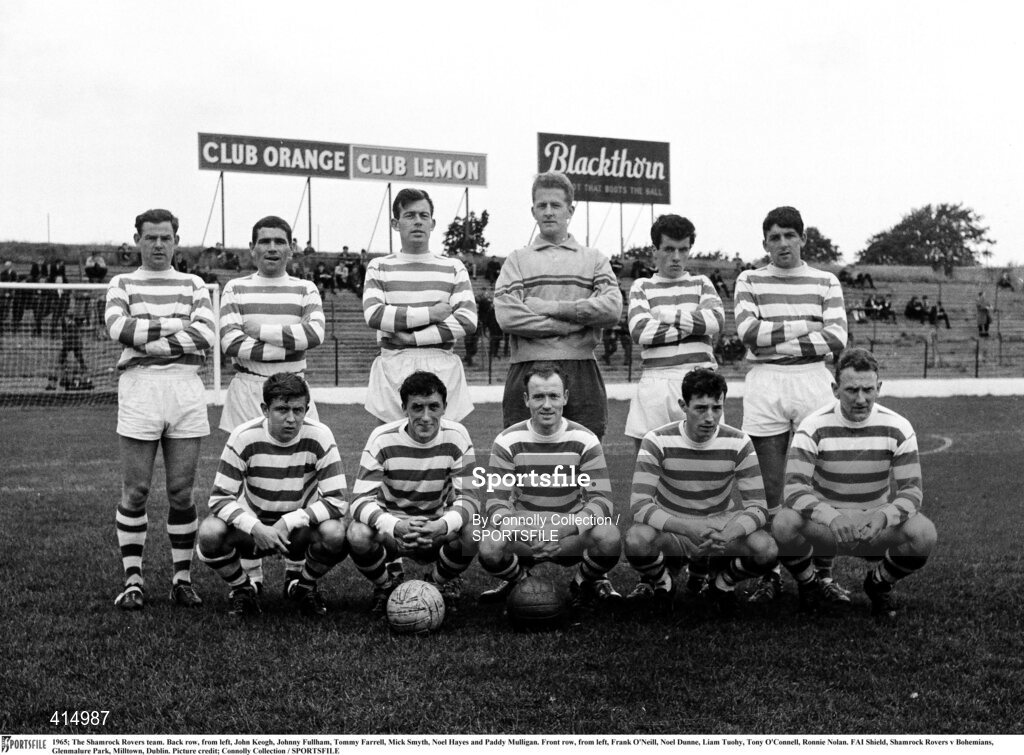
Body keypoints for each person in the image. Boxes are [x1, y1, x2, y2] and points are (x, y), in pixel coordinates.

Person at [733, 206, 848, 605]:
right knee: (768, 487)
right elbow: (748, 333)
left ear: (803, 238)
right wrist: (806, 326)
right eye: (774, 237)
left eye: (789, 235)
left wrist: (773, 343)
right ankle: (771, 574)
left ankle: (823, 575)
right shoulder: (749, 279)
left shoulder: (826, 281)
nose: (782, 243)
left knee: (821, 483)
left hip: (813, 379)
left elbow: (836, 338)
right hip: (765, 383)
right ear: (765, 242)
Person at [773, 349, 937, 621]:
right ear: (835, 389)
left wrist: (884, 517)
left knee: (924, 533)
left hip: (874, 525)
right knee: (783, 523)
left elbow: (912, 491)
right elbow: (794, 488)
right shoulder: (812, 426)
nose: (861, 399)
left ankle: (879, 583)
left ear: (879, 388)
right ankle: (810, 584)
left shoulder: (899, 427)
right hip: (827, 528)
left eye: (868, 390)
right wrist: (831, 516)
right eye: (851, 390)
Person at [105, 208, 215, 611]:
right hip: (140, 387)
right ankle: (133, 580)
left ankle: (181, 580)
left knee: (181, 492)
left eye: (165, 237)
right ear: (137, 239)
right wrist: (177, 325)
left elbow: (205, 333)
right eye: (150, 237)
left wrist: (147, 336)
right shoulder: (122, 283)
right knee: (135, 491)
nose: (157, 244)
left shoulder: (194, 283)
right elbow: (118, 328)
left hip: (185, 387)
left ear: (176, 241)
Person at [219, 216, 327, 589]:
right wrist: (288, 341)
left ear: (291, 248)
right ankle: (252, 576)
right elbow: (230, 342)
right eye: (264, 241)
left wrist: (260, 331)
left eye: (279, 241)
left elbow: (315, 334)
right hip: (248, 386)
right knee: (246, 479)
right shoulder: (235, 288)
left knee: (300, 476)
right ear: (252, 248)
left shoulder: (305, 288)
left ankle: (295, 571)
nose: (272, 248)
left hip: (295, 388)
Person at [624, 369, 776, 614]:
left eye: (717, 408)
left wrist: (729, 534)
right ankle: (665, 583)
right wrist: (687, 528)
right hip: (675, 526)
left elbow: (758, 508)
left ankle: (722, 584)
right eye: (701, 408)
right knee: (636, 540)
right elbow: (640, 505)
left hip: (719, 527)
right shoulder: (657, 440)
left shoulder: (739, 442)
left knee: (766, 548)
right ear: (683, 405)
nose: (710, 418)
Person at [197, 373, 348, 617]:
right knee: (209, 532)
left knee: (335, 533)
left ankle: (303, 587)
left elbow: (337, 501)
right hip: (252, 532)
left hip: (298, 532)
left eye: (298, 410)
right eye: (282, 410)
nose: (291, 419)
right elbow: (220, 498)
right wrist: (256, 528)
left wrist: (287, 522)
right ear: (265, 409)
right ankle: (243, 589)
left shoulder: (320, 435)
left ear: (307, 409)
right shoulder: (244, 436)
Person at [477, 362, 622, 608]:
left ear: (565, 397)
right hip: (525, 530)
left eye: (553, 396)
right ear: (526, 399)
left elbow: (602, 500)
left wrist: (564, 529)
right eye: (538, 397)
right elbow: (495, 503)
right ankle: (521, 582)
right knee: (489, 544)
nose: (546, 404)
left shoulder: (585, 439)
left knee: (609, 536)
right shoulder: (507, 440)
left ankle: (582, 583)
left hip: (568, 532)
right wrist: (525, 531)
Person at [494, 171, 621, 439]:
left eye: (556, 205)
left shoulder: (594, 259)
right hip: (527, 366)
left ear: (570, 210)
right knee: (524, 452)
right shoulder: (517, 260)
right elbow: (507, 316)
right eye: (542, 205)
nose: (549, 212)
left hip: (581, 369)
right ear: (533, 211)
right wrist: (568, 326)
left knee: (584, 451)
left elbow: (612, 309)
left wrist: (553, 308)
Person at [347, 371, 479, 614]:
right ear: (404, 408)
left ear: (445, 407)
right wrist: (396, 526)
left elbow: (470, 498)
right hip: (393, 532)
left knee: (474, 531)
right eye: (417, 407)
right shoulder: (382, 438)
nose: (426, 417)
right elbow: (359, 502)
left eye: (433, 407)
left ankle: (436, 584)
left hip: (435, 528)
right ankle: (386, 586)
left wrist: (441, 525)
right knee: (357, 533)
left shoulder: (457, 436)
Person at [362, 187, 477, 422]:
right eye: (410, 215)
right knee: (391, 440)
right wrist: (432, 313)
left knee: (445, 441)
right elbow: (375, 315)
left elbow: (467, 320)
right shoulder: (379, 266)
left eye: (424, 216)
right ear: (395, 223)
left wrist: (412, 338)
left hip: (441, 362)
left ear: (432, 223)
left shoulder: (453, 267)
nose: (418, 221)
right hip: (394, 363)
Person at [625, 215, 724, 452]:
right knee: (651, 461)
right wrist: (694, 325)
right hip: (656, 380)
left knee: (706, 460)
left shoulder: (702, 283)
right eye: (669, 249)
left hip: (701, 378)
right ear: (654, 251)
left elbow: (716, 321)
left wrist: (665, 315)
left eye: (683, 249)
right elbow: (641, 331)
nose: (677, 257)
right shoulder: (642, 286)